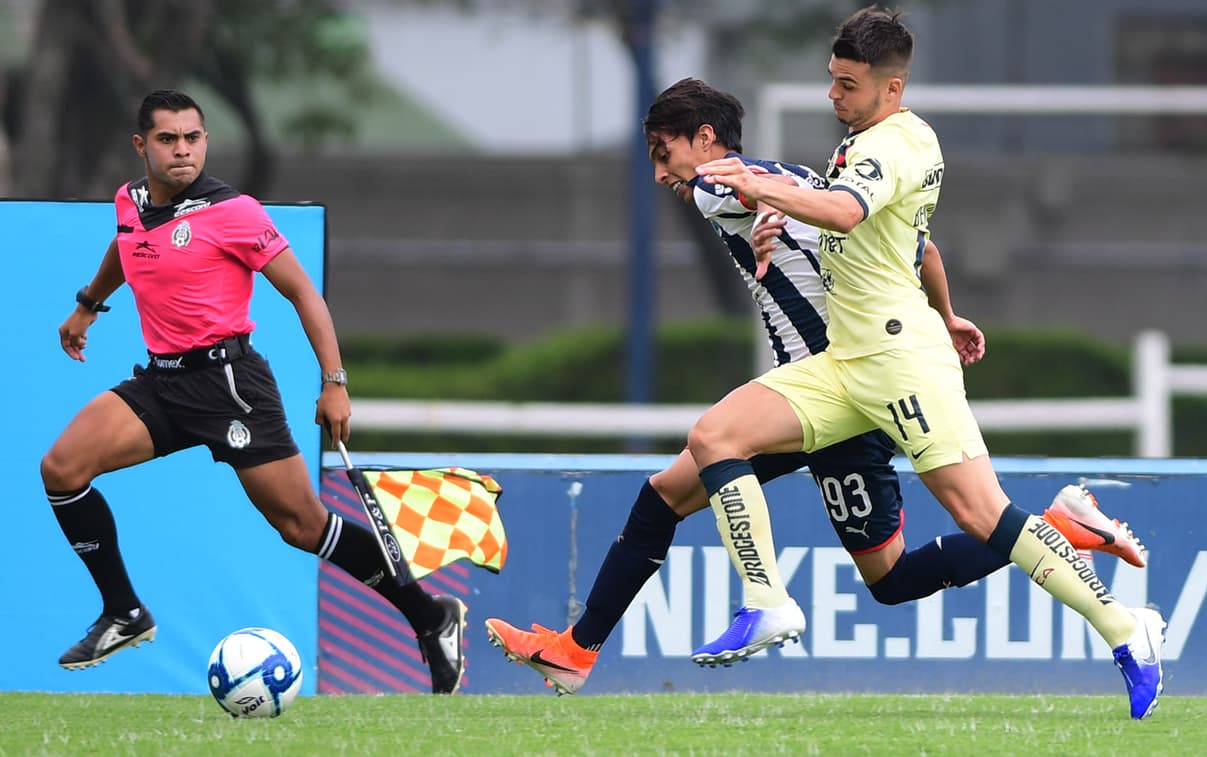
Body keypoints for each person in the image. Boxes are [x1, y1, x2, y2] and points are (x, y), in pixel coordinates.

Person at [483, 77, 1147, 695]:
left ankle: (689, 618)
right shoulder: (804, 181)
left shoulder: (723, 182)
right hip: (837, 390)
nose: (661, 172)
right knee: (889, 578)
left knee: (693, 467)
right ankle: (1058, 523)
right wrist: (945, 315)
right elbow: (923, 248)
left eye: (665, 151)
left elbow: (743, 193)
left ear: (706, 140)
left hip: (833, 394)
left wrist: (756, 200)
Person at [682, 8, 1166, 720]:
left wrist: (762, 188)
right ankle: (766, 601)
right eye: (831, 80)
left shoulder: (897, 144)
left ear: (892, 86)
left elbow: (845, 212)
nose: (833, 96)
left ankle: (1130, 630)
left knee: (983, 515)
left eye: (848, 85)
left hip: (901, 363)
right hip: (847, 361)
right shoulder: (868, 136)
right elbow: (909, 243)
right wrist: (947, 308)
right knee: (714, 438)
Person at [41, 89, 467, 694]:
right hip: (162, 382)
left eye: (193, 137)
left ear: (206, 141)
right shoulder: (131, 201)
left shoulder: (232, 211)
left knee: (302, 526)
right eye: (167, 139)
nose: (182, 150)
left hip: (230, 386)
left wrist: (334, 382)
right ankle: (125, 613)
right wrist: (88, 304)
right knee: (61, 468)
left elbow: (303, 293)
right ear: (142, 146)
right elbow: (126, 243)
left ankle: (431, 617)